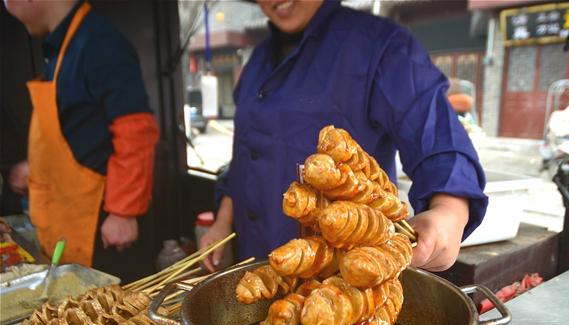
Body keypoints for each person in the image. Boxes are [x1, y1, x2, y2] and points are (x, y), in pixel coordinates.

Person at [200, 0, 488, 273]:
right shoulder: (256, 62)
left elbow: (434, 130)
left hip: (342, 277)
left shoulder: (380, 46)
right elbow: (245, 156)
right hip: (255, 261)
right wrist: (222, 223)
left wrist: (449, 211)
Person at [5, 0, 159, 282]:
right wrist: (37, 168)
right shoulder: (61, 47)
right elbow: (81, 135)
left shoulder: (98, 42)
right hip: (69, 224)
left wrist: (123, 213)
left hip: (102, 230)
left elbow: (136, 130)